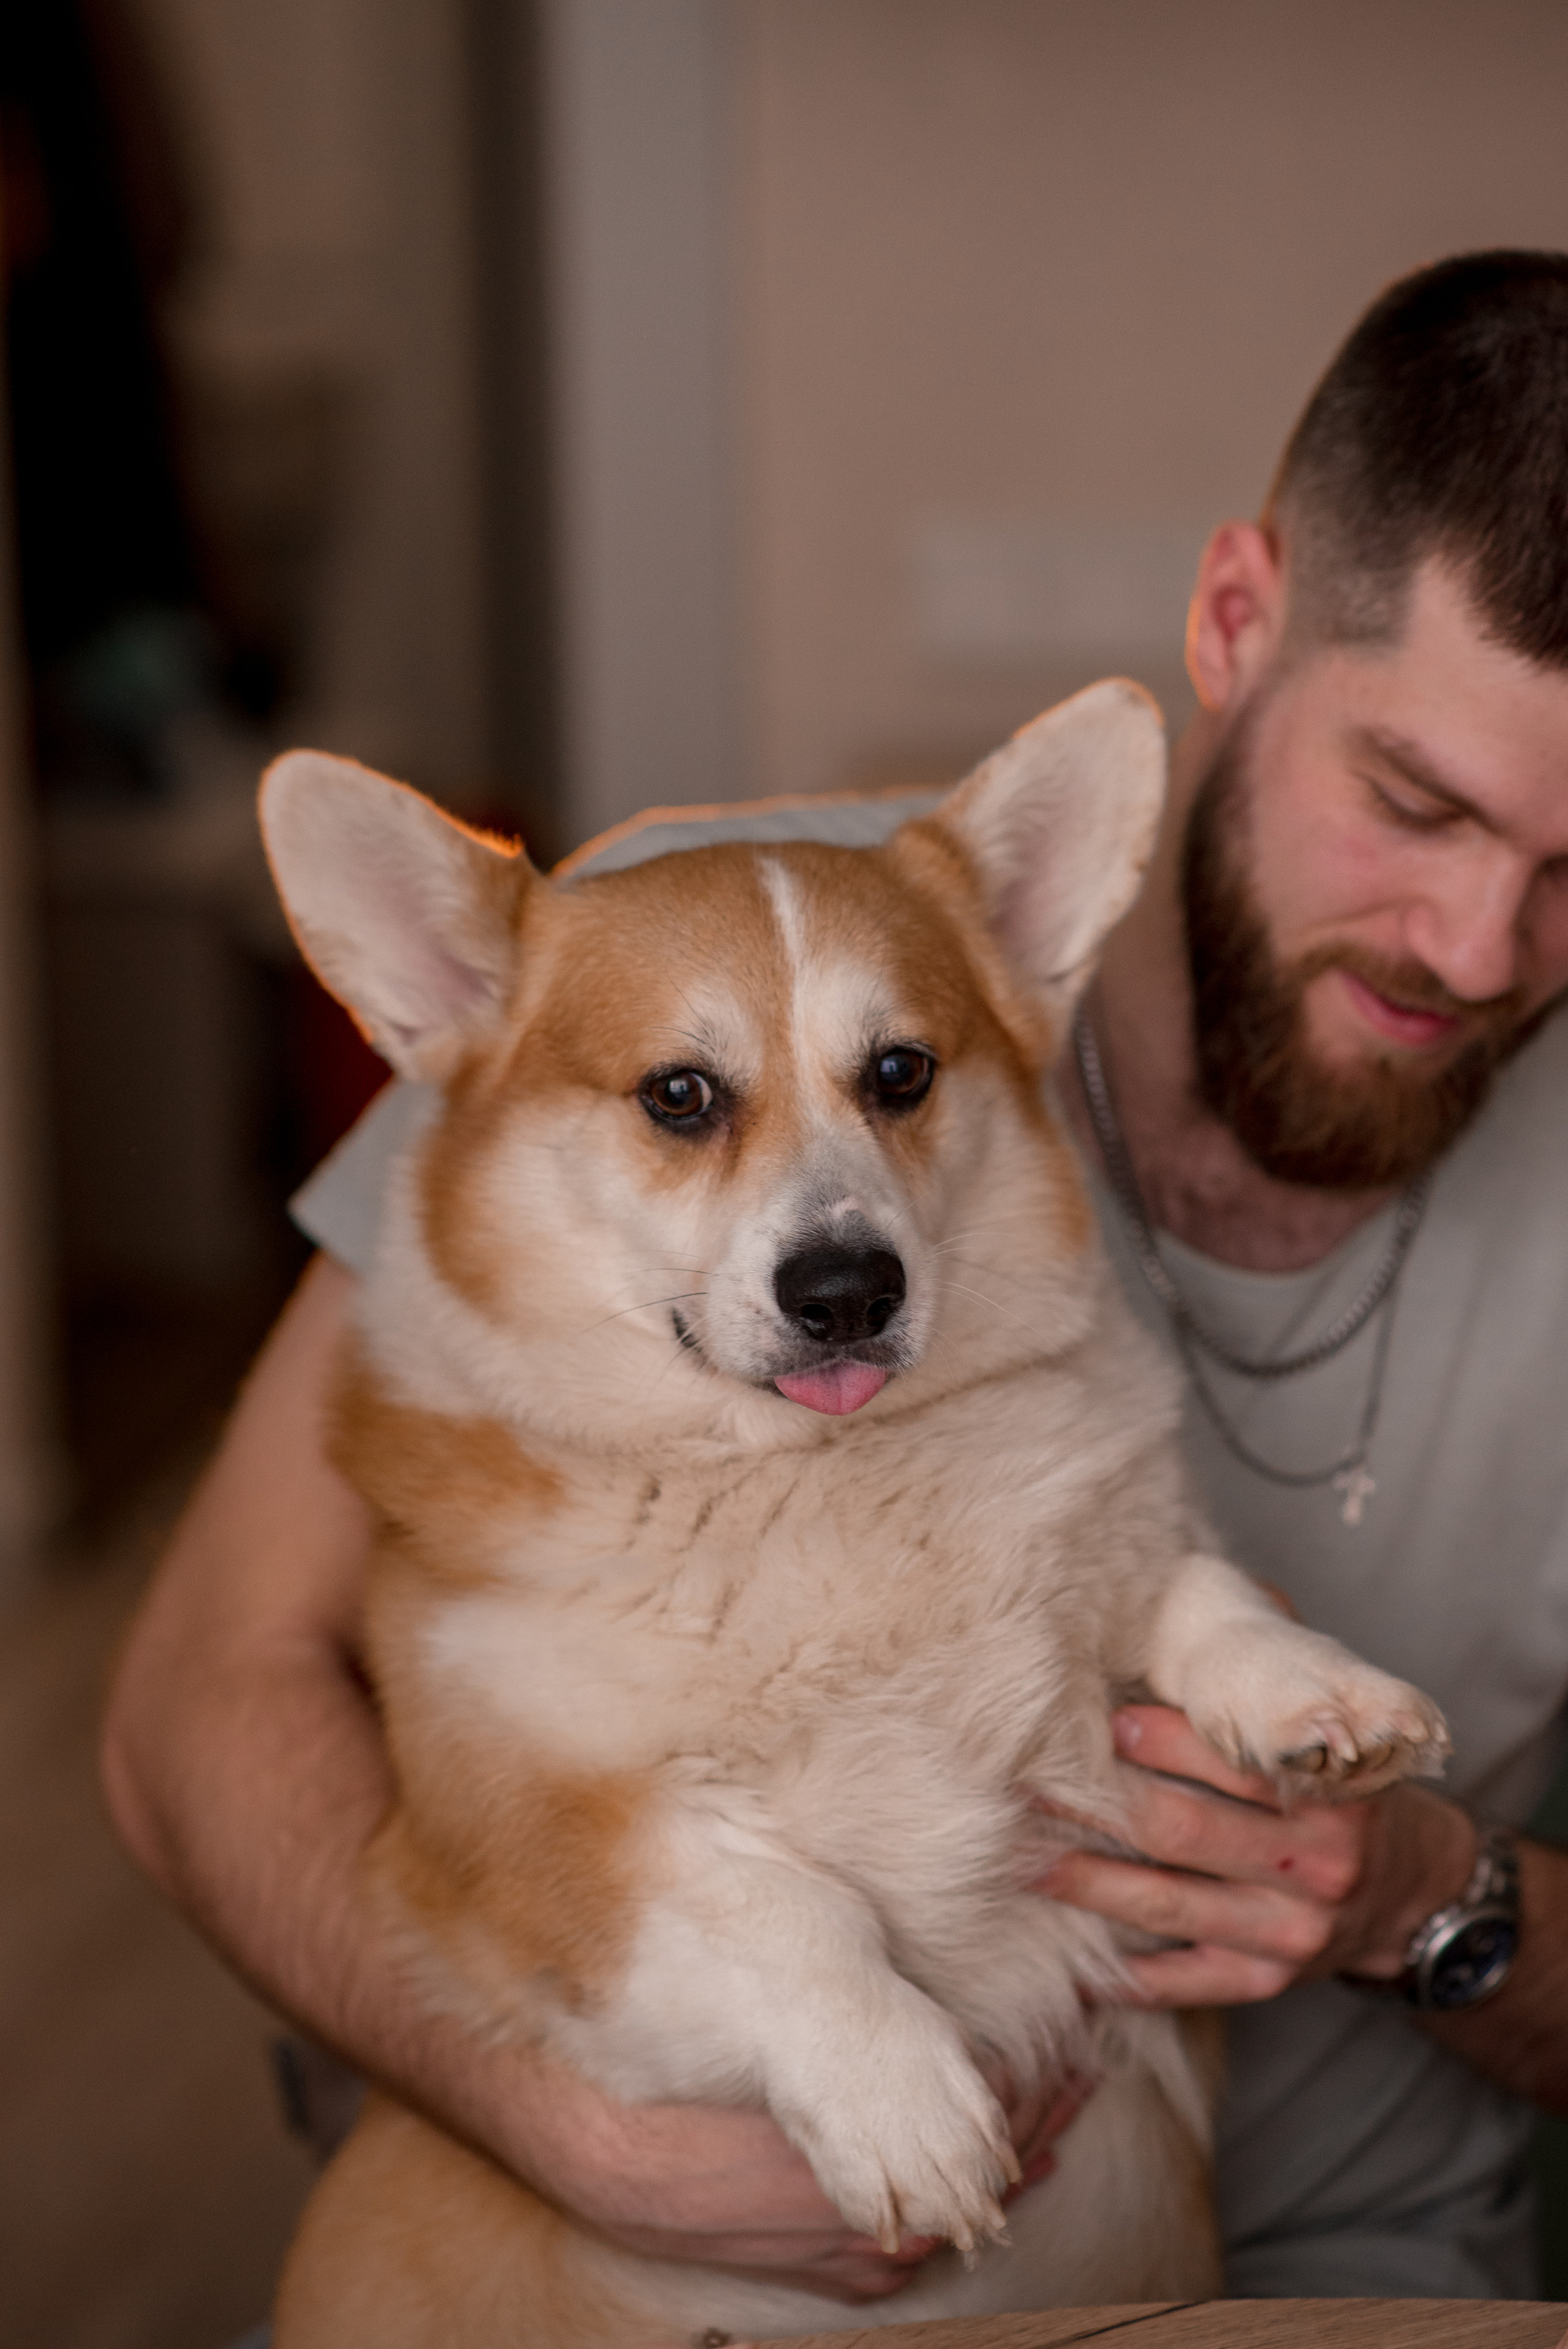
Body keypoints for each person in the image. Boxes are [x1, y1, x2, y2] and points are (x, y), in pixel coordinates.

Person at [103, 249, 1568, 2306]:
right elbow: (197, 1701)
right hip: (626, 2241)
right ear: (1236, 623)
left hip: (1330, 2266)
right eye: (1413, 802)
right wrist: (589, 2132)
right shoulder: (697, 929)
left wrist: (1433, 1900)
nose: (1484, 945)